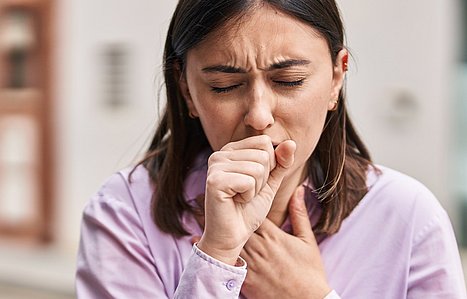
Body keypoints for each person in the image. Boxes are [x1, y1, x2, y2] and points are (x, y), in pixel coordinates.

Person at [75, 0, 467, 298]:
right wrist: (217, 255)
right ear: (185, 90)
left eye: (289, 80)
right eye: (224, 87)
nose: (259, 116)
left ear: (335, 77)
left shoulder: (408, 217)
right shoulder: (126, 211)